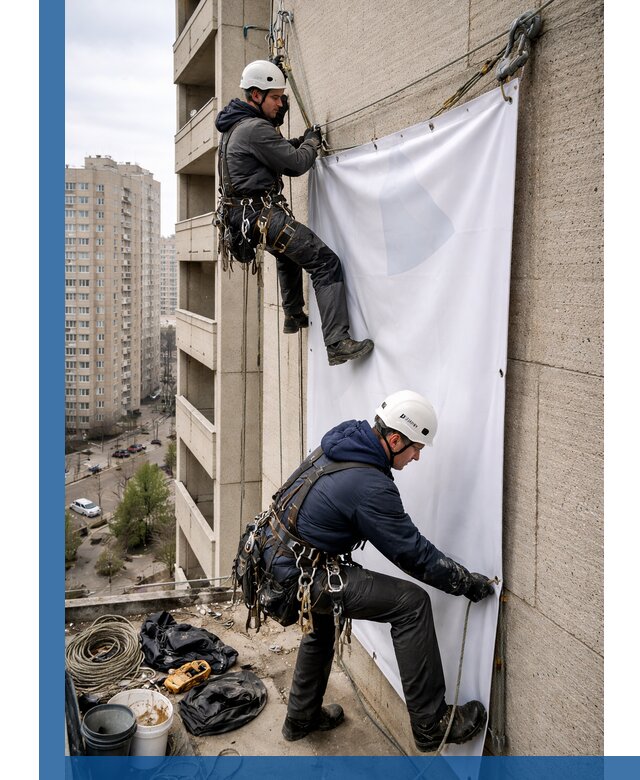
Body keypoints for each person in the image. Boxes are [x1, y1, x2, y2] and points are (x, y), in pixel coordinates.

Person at [261, 390, 495, 752]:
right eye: (416, 447)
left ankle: (300, 718)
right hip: (293, 574)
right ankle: (431, 724)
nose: (417, 456)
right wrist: (466, 582)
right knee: (410, 604)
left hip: (275, 556)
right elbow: (411, 553)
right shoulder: (369, 485)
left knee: (322, 623)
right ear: (395, 439)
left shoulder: (346, 440)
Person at [214, 59, 374, 367]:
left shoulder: (238, 128)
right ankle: (337, 342)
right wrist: (312, 143)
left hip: (247, 220)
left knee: (287, 254)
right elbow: (297, 164)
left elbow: (277, 151)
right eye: (275, 97)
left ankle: (293, 315)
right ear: (256, 95)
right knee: (325, 262)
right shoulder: (254, 128)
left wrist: (299, 143)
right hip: (260, 215)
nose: (280, 104)